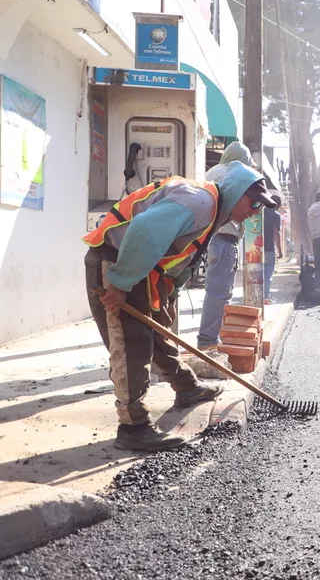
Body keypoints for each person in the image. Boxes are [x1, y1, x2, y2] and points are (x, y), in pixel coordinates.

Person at [83, 163, 277, 451]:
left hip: (142, 270)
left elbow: (184, 253)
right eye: (253, 203)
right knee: (130, 344)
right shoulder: (200, 201)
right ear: (236, 194)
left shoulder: (214, 212)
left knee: (156, 332)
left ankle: (187, 387)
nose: (254, 211)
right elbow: (144, 231)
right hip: (115, 261)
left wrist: (169, 292)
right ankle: (133, 427)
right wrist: (120, 282)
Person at [196, 141, 255, 351]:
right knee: (219, 293)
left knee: (214, 291)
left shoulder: (211, 172)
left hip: (210, 237)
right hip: (225, 239)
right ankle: (208, 342)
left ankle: (208, 339)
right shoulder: (237, 175)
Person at [263, 196, 284, 303]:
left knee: (259, 273)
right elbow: (276, 232)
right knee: (268, 273)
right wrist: (280, 251)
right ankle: (266, 296)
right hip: (269, 249)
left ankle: (258, 295)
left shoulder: (258, 213)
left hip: (256, 249)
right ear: (278, 205)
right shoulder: (275, 215)